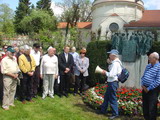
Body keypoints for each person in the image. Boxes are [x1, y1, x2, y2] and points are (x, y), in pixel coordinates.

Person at [97, 49, 122, 120]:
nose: (109, 56)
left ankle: (115, 113)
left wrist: (104, 72)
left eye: (110, 55)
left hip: (113, 82)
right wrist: (109, 63)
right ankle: (103, 110)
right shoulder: (114, 63)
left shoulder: (115, 63)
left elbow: (111, 74)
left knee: (112, 98)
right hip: (112, 82)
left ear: (113, 55)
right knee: (107, 97)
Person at [141, 52, 160, 120]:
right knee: (145, 106)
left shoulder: (159, 67)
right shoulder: (148, 66)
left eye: (150, 58)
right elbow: (143, 76)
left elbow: (158, 81)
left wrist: (148, 88)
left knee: (152, 107)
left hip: (153, 90)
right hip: (144, 88)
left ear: (155, 59)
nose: (149, 60)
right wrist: (142, 84)